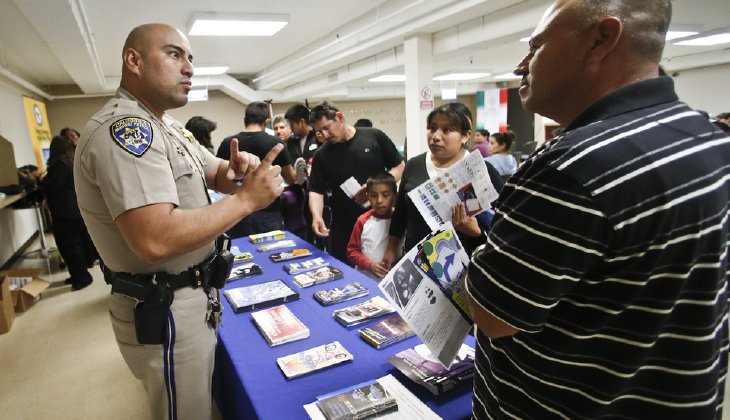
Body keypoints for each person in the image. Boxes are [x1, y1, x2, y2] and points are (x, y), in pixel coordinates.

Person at [466, 1, 730, 418]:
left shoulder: (569, 167)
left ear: (600, 40)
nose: (521, 66)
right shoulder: (708, 137)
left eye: (536, 47)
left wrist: (480, 251)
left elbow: (493, 316)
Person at [74, 23, 284, 420]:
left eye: (190, 58)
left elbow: (215, 171)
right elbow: (155, 240)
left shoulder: (166, 125)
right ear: (134, 61)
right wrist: (246, 200)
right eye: (174, 54)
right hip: (165, 303)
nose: (188, 67)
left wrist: (239, 171)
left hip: (191, 295)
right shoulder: (127, 132)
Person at [382, 102, 504, 267]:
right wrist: (391, 249)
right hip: (416, 263)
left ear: (466, 136)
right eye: (432, 128)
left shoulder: (484, 171)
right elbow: (401, 214)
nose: (435, 136)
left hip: (463, 266)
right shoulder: (414, 165)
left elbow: (502, 227)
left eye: (447, 130)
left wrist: (477, 232)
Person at [307, 101, 404, 263]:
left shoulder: (374, 137)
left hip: (381, 224)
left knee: (382, 269)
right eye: (319, 131)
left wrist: (374, 188)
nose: (325, 135)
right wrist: (316, 215)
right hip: (343, 228)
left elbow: (399, 166)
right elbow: (316, 190)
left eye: (327, 128)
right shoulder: (321, 155)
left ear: (339, 117)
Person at [216, 101, 297, 237]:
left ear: (245, 120)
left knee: (240, 248)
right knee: (270, 248)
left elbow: (219, 179)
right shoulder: (276, 143)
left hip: (237, 209)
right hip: (268, 210)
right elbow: (291, 178)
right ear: (266, 122)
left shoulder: (228, 143)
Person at [41, 135, 94, 290]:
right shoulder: (70, 161)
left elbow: (54, 185)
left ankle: (81, 278)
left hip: (65, 213)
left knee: (69, 247)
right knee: (74, 245)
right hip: (72, 211)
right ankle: (79, 275)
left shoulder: (59, 164)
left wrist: (41, 180)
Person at [346, 173, 400, 280]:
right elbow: (352, 251)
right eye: (374, 195)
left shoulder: (401, 220)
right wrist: (369, 265)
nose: (379, 200)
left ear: (394, 196)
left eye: (385, 195)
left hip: (392, 280)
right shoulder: (362, 221)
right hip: (365, 278)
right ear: (368, 197)